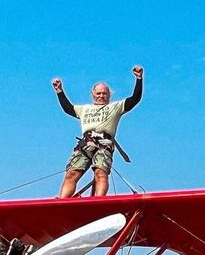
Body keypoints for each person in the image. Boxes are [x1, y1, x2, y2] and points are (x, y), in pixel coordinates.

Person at [53, 65, 144, 198]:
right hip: (86, 142)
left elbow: (134, 99)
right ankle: (62, 201)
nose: (101, 96)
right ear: (93, 95)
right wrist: (59, 91)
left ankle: (98, 200)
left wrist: (139, 79)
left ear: (109, 95)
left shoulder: (115, 107)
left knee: (100, 173)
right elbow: (68, 108)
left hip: (104, 142)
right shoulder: (84, 109)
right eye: (98, 93)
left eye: (104, 93)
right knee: (72, 173)